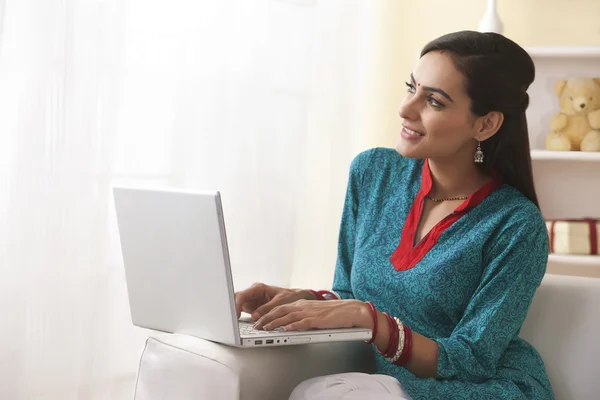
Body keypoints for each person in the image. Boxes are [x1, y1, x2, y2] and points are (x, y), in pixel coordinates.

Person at [235, 30, 554, 400]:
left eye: (433, 101)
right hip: (382, 384)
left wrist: (372, 321)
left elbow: (471, 360)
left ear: (485, 124)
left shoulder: (516, 225)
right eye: (411, 87)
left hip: (478, 390)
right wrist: (302, 300)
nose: (406, 108)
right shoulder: (372, 172)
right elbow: (350, 294)